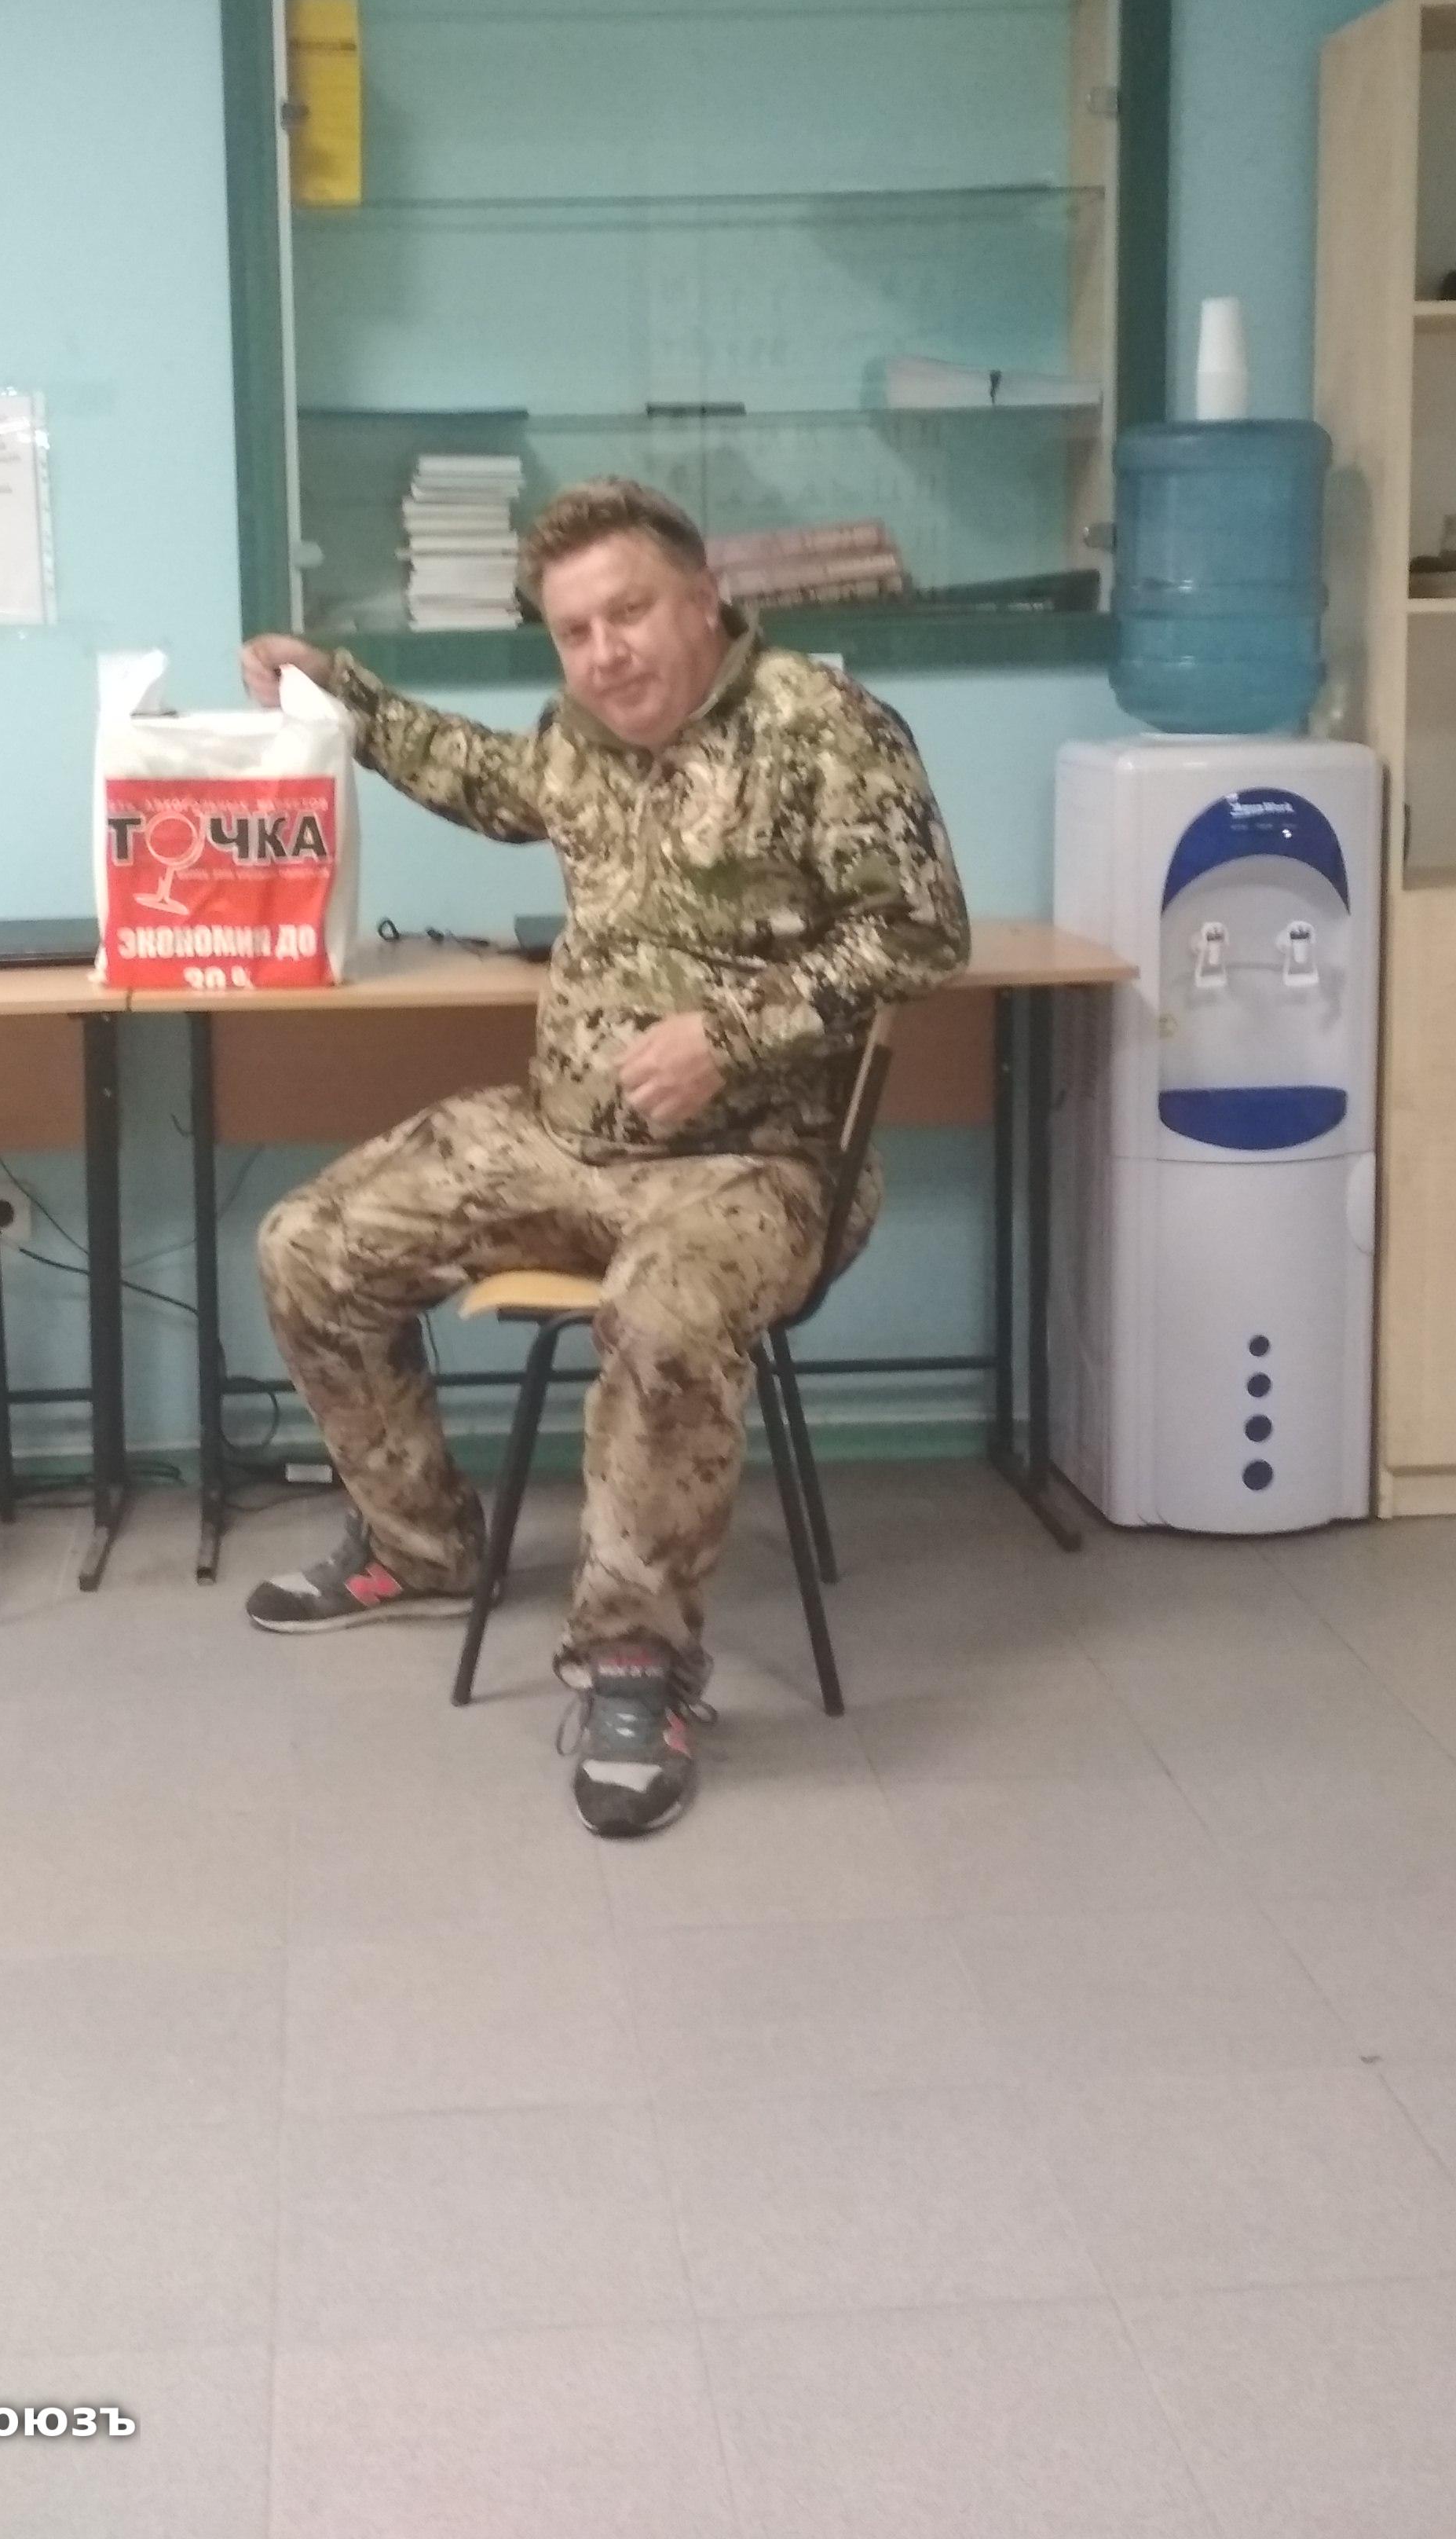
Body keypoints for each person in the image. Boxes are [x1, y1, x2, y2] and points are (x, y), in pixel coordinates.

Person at [238, 477, 969, 1836]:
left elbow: (922, 932)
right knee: (308, 1247)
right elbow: (483, 776)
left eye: (628, 614)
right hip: (564, 1142)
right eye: (575, 632)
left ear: (705, 601)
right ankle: (420, 1544)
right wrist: (340, 692)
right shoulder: (578, 740)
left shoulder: (824, 729)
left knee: (665, 1310)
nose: (604, 654)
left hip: (762, 1163)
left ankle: (639, 1665)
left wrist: (731, 1038)